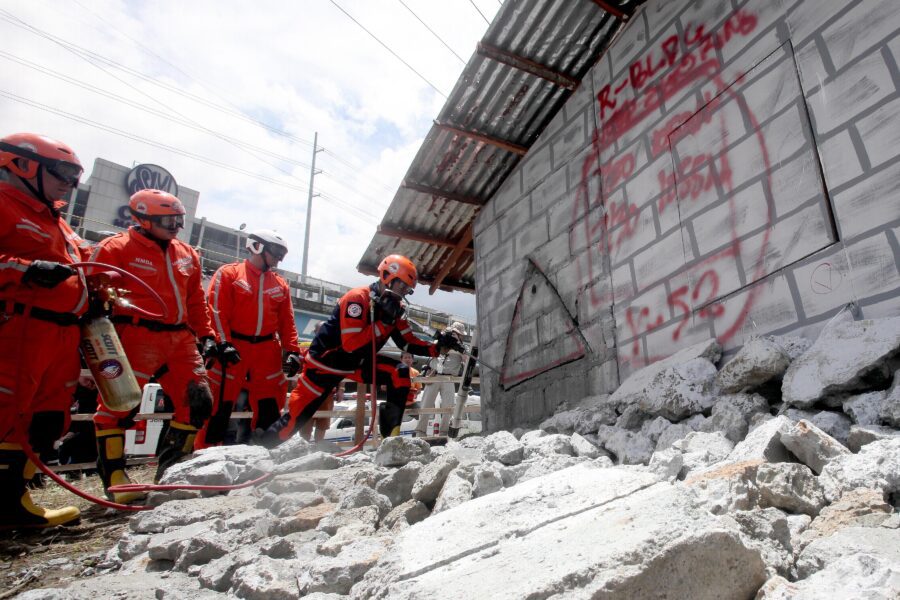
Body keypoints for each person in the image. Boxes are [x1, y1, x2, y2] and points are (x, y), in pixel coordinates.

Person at [89, 189, 216, 500]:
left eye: (179, 220)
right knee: (118, 406)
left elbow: (196, 301)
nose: (175, 226)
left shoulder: (187, 253)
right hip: (133, 334)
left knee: (198, 403)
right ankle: (116, 479)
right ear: (142, 219)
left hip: (180, 338)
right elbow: (92, 292)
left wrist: (208, 335)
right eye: (168, 220)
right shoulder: (115, 248)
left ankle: (171, 473)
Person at [260, 254, 464, 445]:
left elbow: (407, 342)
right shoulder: (357, 299)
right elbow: (351, 344)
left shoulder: (396, 308)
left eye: (407, 290)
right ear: (387, 277)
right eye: (403, 286)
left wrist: (438, 347)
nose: (404, 293)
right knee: (294, 421)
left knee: (400, 372)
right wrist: (384, 322)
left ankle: (390, 441)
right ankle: (259, 448)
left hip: (356, 364)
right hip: (324, 365)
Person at [0, 132, 91, 528]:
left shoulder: (58, 222)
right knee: (6, 413)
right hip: (18, 328)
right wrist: (25, 269)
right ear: (21, 164)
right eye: (62, 173)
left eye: (75, 177)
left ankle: (12, 502)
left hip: (61, 336)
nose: (69, 184)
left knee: (47, 419)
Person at [196, 229, 301, 449]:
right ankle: (204, 454)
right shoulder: (229, 274)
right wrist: (222, 342)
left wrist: (292, 351)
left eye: (282, 253)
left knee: (270, 407)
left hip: (267, 350)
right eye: (275, 252)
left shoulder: (280, 284)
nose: (278, 258)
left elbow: (287, 321)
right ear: (257, 246)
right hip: (233, 348)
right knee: (219, 406)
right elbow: (216, 311)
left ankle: (267, 452)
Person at [414, 322, 467, 437]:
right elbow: (433, 350)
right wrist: (444, 340)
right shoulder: (440, 340)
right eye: (453, 333)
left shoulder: (461, 346)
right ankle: (420, 432)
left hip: (449, 378)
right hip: (434, 374)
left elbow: (467, 360)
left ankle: (443, 433)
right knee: (426, 404)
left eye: (457, 334)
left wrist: (457, 345)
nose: (455, 335)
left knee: (448, 406)